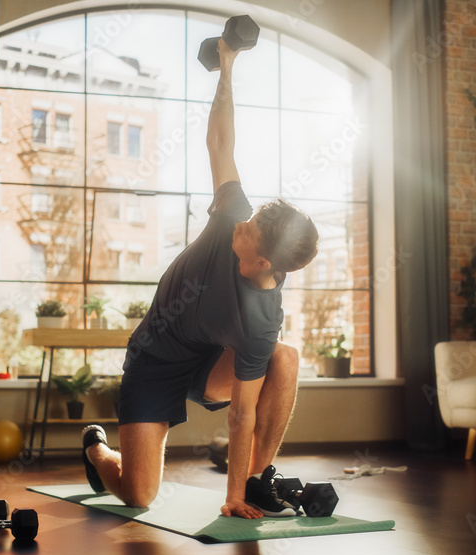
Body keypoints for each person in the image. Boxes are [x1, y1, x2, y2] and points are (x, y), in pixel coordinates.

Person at [81, 37, 320, 519]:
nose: (241, 224)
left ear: (262, 265)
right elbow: (220, 142)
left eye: (250, 232)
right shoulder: (230, 215)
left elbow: (241, 413)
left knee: (286, 359)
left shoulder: (262, 322)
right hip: (156, 359)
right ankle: (96, 451)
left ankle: (256, 483)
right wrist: (226, 70)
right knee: (138, 494)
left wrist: (233, 495)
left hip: (211, 363)